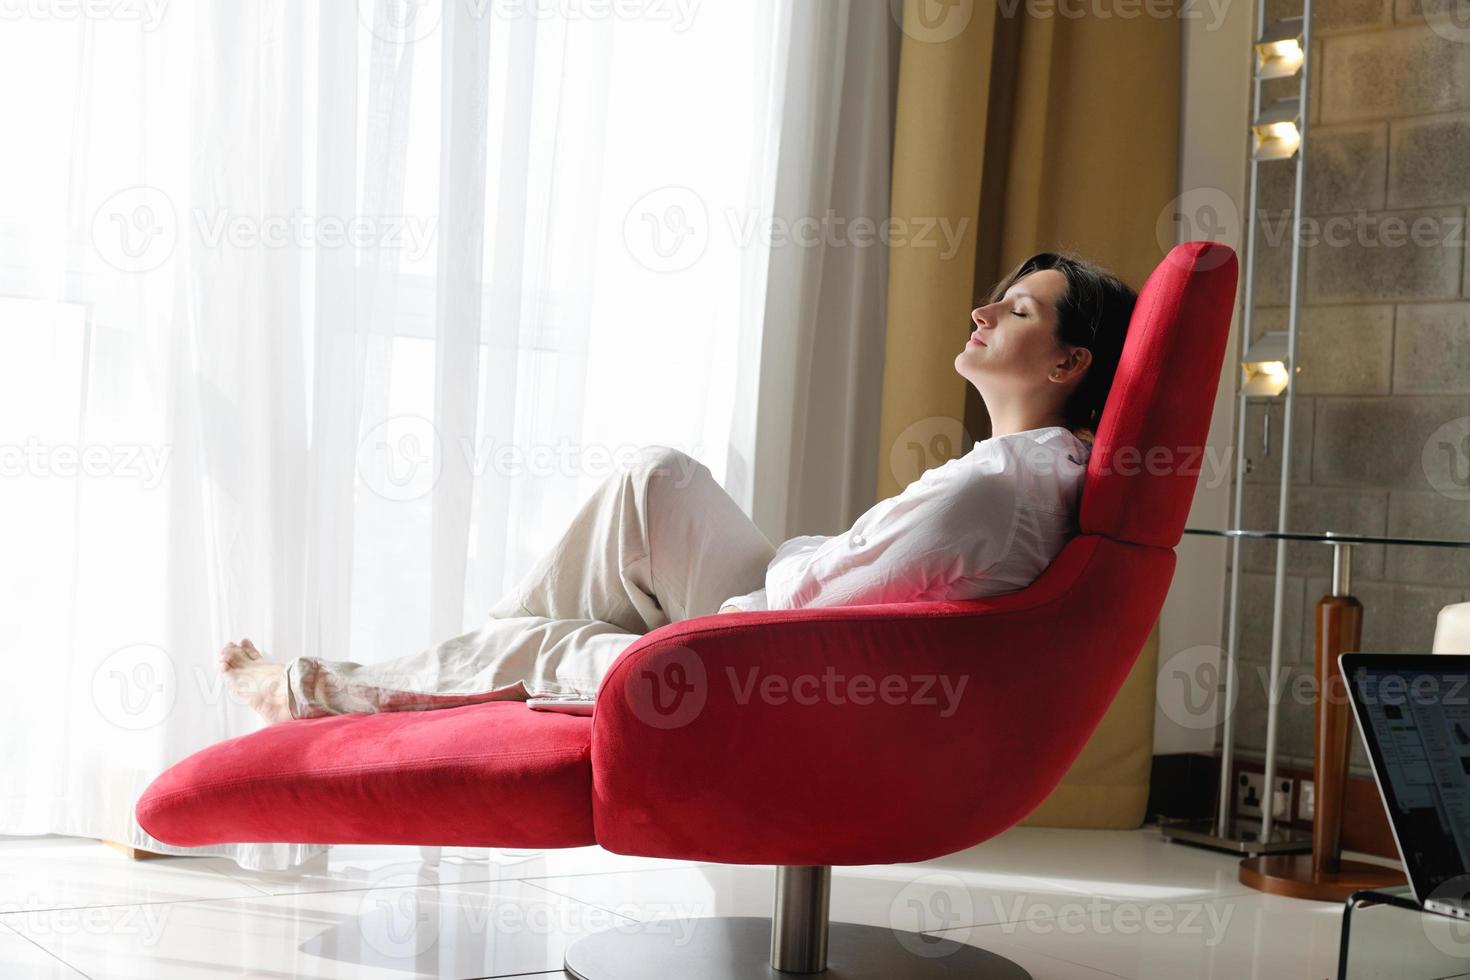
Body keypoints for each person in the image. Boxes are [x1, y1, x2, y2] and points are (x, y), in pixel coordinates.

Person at [220, 250, 1137, 723]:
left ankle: (318, 691)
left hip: (765, 671)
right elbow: (837, 581)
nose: (982, 311)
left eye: (1017, 310)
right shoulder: (1029, 467)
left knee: (546, 642)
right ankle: (492, 664)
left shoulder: (990, 491)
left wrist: (704, 616)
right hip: (780, 612)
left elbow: (820, 606)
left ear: (1068, 360)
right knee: (655, 479)